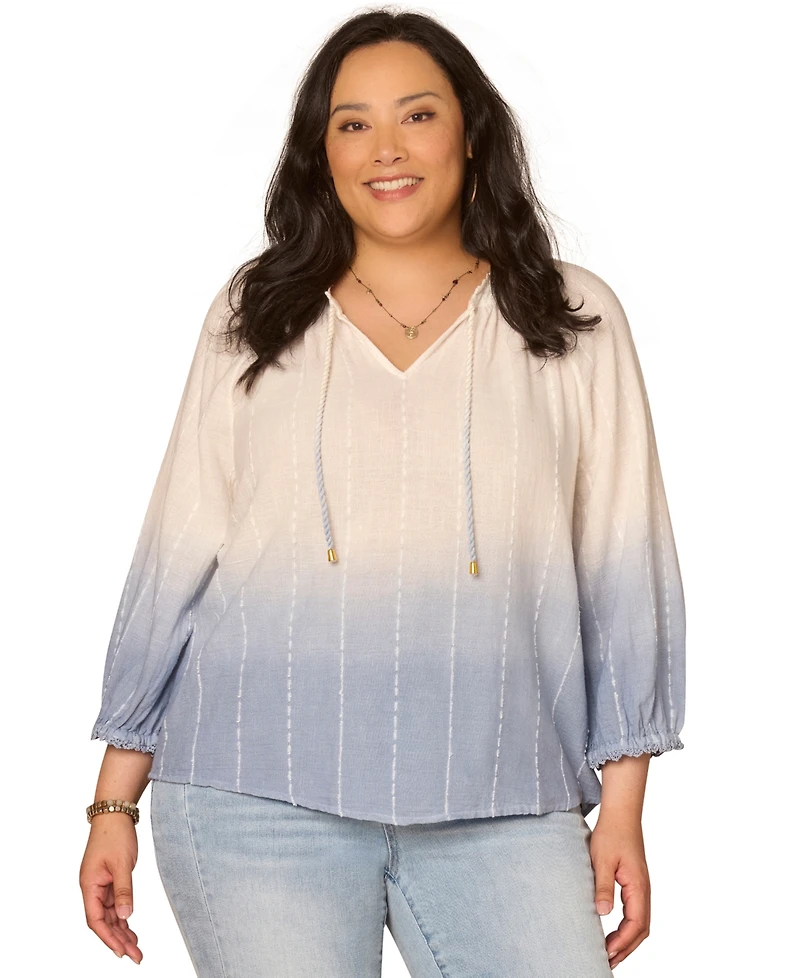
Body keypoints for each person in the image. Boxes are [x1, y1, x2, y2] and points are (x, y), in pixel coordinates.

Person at [79, 8, 686, 977]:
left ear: (471, 135)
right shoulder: (256, 313)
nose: (385, 149)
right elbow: (179, 551)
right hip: (255, 794)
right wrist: (113, 801)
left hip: (503, 793)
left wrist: (624, 805)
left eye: (418, 115)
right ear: (320, 155)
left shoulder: (571, 320)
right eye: (352, 123)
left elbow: (623, 566)